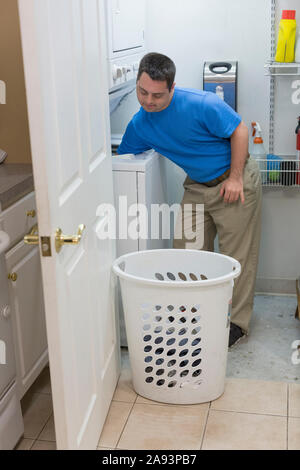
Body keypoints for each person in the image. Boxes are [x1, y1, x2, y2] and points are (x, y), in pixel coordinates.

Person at [117, 52, 262, 347]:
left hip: (233, 179)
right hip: (197, 185)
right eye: (142, 92)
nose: (148, 101)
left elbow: (240, 131)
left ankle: (235, 323)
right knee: (186, 250)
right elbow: (120, 159)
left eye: (157, 95)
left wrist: (235, 178)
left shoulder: (201, 104)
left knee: (236, 257)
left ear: (172, 88)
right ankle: (190, 315)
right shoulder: (140, 124)